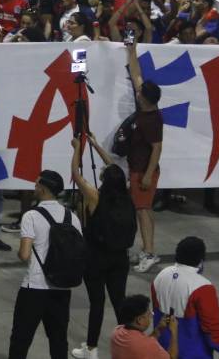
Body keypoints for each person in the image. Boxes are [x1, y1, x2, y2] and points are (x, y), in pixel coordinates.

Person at [69, 137, 137, 359]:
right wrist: (96, 146)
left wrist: (78, 149)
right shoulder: (127, 197)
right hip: (120, 258)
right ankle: (131, 346)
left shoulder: (95, 197)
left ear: (105, 180)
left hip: (96, 258)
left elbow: (76, 175)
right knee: (119, 302)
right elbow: (116, 170)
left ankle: (91, 348)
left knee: (97, 303)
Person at [9, 169, 81, 359]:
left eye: (36, 183)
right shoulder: (72, 217)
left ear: (42, 189)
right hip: (62, 288)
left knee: (21, 339)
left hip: (34, 286)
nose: (34, 186)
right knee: (58, 340)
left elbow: (24, 255)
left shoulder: (31, 216)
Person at [151, 237, 219, 359]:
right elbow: (211, 326)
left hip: (161, 348)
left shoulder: (161, 276)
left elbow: (156, 311)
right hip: (192, 353)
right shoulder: (203, 287)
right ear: (201, 259)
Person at [125, 42, 164, 273]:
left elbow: (157, 148)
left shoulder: (151, 121)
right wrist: (132, 51)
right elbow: (136, 74)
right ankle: (148, 249)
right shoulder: (146, 108)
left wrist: (148, 175)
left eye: (140, 93)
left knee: (142, 210)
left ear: (146, 99)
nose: (137, 93)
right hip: (138, 169)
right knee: (145, 209)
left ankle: (149, 252)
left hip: (143, 171)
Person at [110, 294, 177, 359]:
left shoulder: (117, 332)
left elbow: (143, 343)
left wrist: (158, 330)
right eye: (149, 314)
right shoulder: (147, 345)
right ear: (139, 320)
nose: (151, 316)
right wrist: (174, 332)